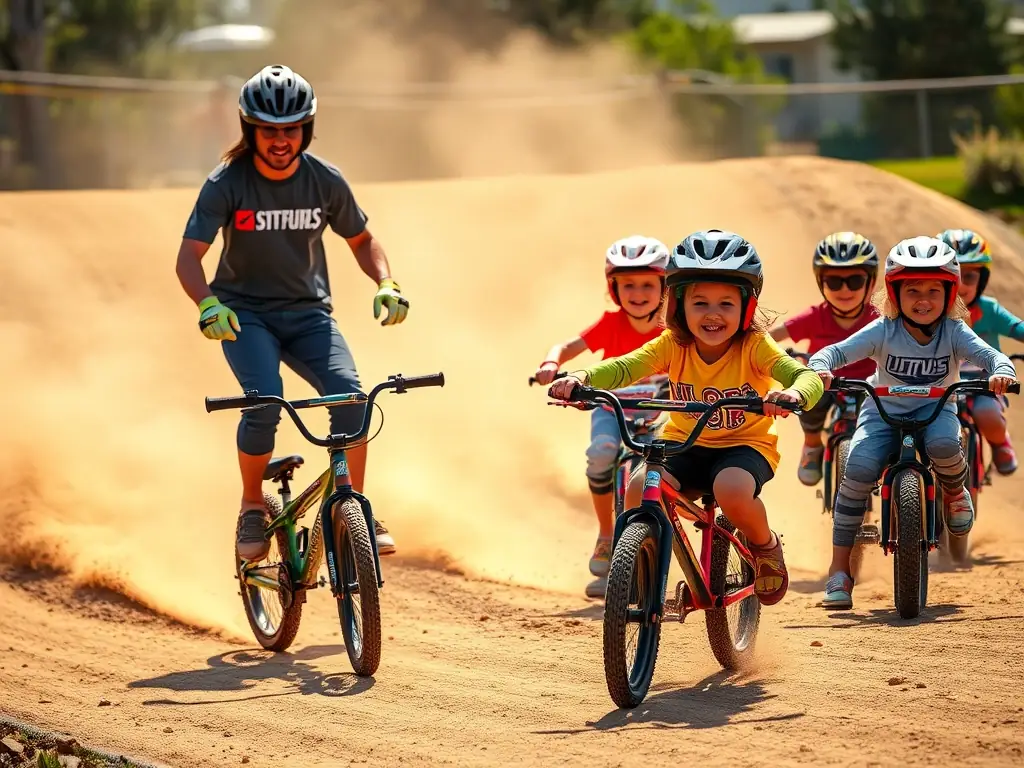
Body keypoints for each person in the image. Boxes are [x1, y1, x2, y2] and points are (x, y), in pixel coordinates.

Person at [174, 64, 410, 562]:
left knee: (352, 400)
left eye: (290, 129)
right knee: (265, 404)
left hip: (308, 315)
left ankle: (355, 508)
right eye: (268, 130)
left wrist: (385, 281)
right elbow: (189, 256)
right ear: (249, 129)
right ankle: (252, 504)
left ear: (305, 128)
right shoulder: (226, 183)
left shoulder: (324, 180)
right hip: (244, 315)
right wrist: (207, 303)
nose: (280, 141)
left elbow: (363, 240)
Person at [548, 230, 825, 607]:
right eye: (700, 303)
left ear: (747, 307)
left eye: (726, 303)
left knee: (730, 490)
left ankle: (765, 545)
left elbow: (806, 376)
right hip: (684, 443)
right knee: (637, 487)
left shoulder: (755, 346)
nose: (712, 314)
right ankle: (638, 564)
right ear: (678, 306)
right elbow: (626, 367)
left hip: (744, 447)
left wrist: (793, 394)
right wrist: (581, 378)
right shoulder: (672, 344)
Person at [809, 236, 1017, 610]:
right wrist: (820, 367)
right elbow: (835, 351)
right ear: (894, 294)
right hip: (882, 410)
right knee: (856, 469)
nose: (923, 300)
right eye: (913, 290)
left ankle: (954, 491)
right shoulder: (883, 329)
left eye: (934, 291)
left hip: (936, 410)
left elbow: (990, 356)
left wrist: (1001, 371)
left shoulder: (954, 332)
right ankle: (839, 570)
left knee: (944, 446)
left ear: (950, 294)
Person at [532, 235, 670, 597]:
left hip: (663, 410)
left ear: (664, 288)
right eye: (628, 285)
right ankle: (607, 534)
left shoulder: (675, 328)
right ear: (614, 288)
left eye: (646, 285)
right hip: (612, 408)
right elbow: (567, 346)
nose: (637, 293)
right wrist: (552, 363)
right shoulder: (610, 324)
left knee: (664, 468)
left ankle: (652, 543)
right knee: (601, 454)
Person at [770, 232, 880, 486]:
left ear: (870, 282)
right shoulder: (816, 316)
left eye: (854, 281)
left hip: (870, 382)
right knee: (810, 399)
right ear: (821, 283)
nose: (844, 290)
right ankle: (811, 443)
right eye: (833, 281)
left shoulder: (880, 318)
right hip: (823, 380)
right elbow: (773, 336)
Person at [937, 228, 1022, 475]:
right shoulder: (929, 310)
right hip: (940, 383)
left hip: (985, 383)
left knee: (987, 414)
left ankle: (999, 442)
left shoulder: (989, 310)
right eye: (953, 275)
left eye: (970, 276)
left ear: (982, 280)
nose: (961, 284)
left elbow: (1016, 327)